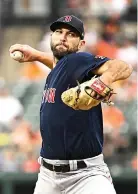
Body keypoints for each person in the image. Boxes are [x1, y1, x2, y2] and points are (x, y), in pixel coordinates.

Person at [9, 15, 132, 194]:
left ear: (81, 44)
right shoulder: (61, 68)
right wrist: (35, 55)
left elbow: (123, 67)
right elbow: (57, 64)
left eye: (71, 34)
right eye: (58, 32)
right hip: (47, 177)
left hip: (86, 176)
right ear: (51, 37)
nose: (63, 36)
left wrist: (103, 81)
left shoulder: (78, 60)